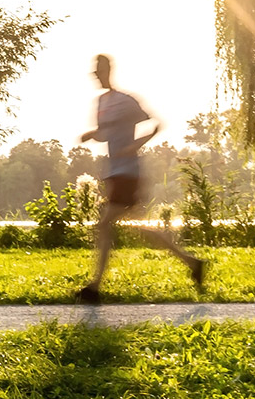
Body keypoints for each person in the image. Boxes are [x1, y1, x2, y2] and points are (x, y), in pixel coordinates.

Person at [75, 54, 204, 304]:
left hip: (128, 171)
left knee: (105, 225)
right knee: (136, 227)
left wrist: (134, 146)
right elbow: (104, 135)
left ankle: (95, 287)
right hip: (114, 171)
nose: (96, 76)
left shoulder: (126, 101)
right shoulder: (101, 102)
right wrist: (92, 134)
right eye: (94, 72)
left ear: (109, 71)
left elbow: (156, 123)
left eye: (99, 71)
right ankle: (192, 263)